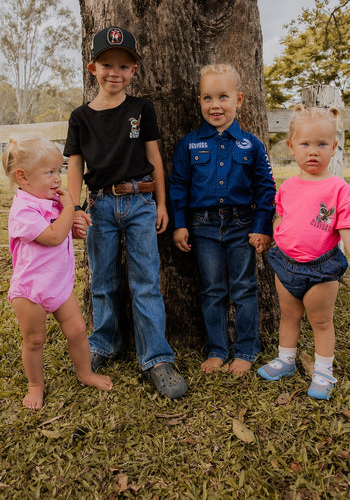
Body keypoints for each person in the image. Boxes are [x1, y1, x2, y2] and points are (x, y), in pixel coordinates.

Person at [63, 26, 187, 399]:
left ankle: (157, 358)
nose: (114, 72)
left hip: (140, 203)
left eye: (123, 66)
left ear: (134, 71)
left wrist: (162, 203)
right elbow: (74, 165)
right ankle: (102, 345)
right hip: (99, 206)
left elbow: (155, 160)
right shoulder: (80, 117)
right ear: (92, 67)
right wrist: (73, 209)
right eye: (106, 64)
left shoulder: (140, 109)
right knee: (102, 282)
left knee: (146, 282)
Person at [169, 63, 276, 376]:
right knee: (212, 289)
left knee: (244, 289)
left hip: (242, 226)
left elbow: (266, 188)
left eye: (223, 97)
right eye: (207, 98)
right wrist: (180, 223)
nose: (215, 105)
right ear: (200, 101)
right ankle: (217, 349)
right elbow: (178, 186)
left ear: (239, 99)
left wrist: (262, 228)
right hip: (202, 226)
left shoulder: (251, 145)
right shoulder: (189, 144)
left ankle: (245, 349)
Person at [2, 136, 113, 410]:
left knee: (77, 330)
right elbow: (51, 237)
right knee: (35, 339)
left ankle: (85, 373)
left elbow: (61, 234)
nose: (57, 179)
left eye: (59, 170)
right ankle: (35, 385)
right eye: (50, 172)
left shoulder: (50, 203)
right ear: (23, 177)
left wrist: (74, 230)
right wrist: (69, 209)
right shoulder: (23, 210)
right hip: (31, 291)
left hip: (59, 286)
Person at [257, 105, 350, 400]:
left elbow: (345, 229)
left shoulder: (338, 188)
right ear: (291, 147)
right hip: (285, 264)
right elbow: (283, 218)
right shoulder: (287, 187)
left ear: (333, 148)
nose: (313, 151)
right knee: (288, 314)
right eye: (305, 144)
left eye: (322, 144)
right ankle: (286, 359)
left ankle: (323, 371)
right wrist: (271, 238)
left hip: (321, 268)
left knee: (321, 321)